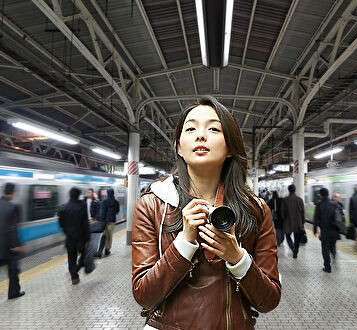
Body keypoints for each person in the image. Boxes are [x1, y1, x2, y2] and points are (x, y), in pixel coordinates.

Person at [132, 96, 281, 329]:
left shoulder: (256, 210)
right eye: (190, 128)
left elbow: (269, 300)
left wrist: (237, 258)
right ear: (179, 147)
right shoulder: (153, 205)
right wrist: (185, 241)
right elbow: (144, 295)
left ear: (230, 147)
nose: (200, 135)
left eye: (213, 128)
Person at [58, 187, 90, 285]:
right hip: (81, 238)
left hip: (70, 239)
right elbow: (85, 224)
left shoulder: (63, 208)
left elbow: (61, 224)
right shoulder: (81, 207)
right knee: (84, 256)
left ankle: (74, 277)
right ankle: (76, 269)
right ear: (78, 195)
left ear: (69, 195)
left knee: (71, 258)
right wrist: (88, 238)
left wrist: (67, 231)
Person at [0, 183, 25, 299]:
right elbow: (12, 229)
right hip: (9, 247)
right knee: (13, 270)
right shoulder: (13, 207)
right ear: (13, 193)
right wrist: (17, 245)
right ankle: (13, 292)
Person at [313, 188, 339, 273]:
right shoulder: (334, 204)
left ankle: (327, 267)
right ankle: (334, 255)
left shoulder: (319, 205)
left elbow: (316, 219)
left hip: (325, 232)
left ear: (321, 195)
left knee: (325, 249)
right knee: (332, 246)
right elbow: (339, 218)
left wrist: (315, 230)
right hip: (334, 231)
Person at [281, 184, 305, 258]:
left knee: (288, 236)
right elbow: (303, 212)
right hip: (298, 222)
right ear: (295, 190)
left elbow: (283, 212)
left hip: (288, 222)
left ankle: (292, 248)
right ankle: (295, 251)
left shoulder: (285, 200)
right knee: (297, 238)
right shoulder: (300, 200)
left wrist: (283, 220)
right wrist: (303, 222)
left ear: (289, 190)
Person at [100, 188, 120, 256]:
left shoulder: (104, 201)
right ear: (113, 193)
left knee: (104, 235)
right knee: (110, 236)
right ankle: (107, 249)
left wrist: (102, 220)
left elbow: (102, 212)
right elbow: (117, 211)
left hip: (105, 221)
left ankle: (101, 249)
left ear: (107, 193)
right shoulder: (116, 202)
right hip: (112, 221)